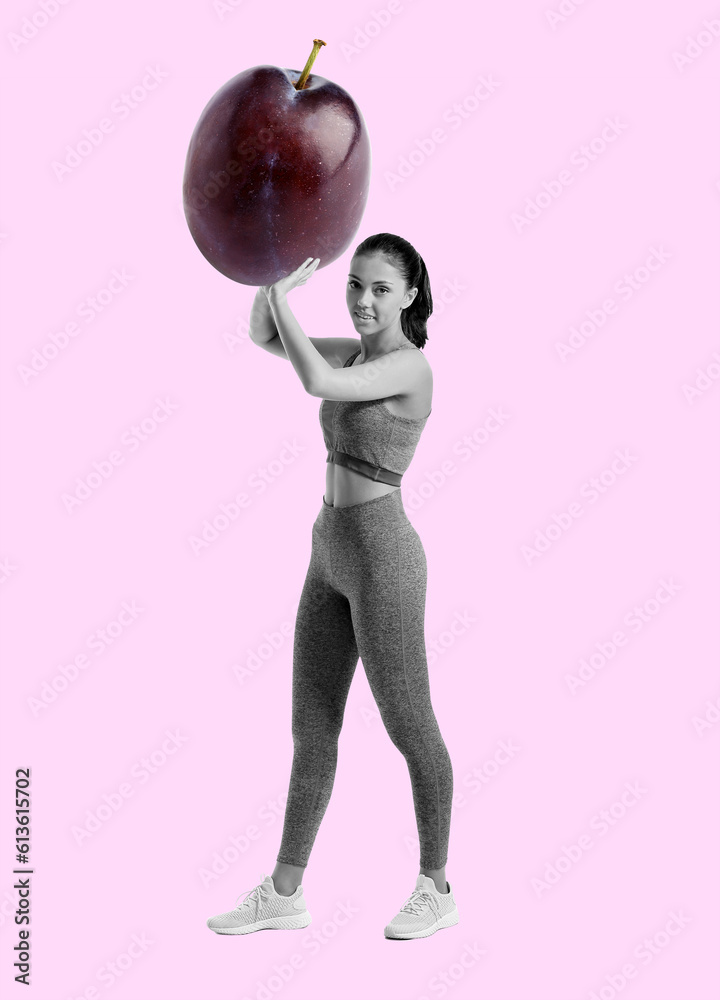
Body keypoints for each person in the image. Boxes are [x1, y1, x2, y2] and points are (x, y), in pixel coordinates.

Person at [206, 233, 457, 941]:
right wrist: (274, 275)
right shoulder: (354, 353)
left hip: (385, 560)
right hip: (328, 551)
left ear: (410, 295)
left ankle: (435, 885)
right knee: (311, 732)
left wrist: (285, 301)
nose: (363, 301)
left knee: (411, 726)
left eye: (380, 288)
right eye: (354, 285)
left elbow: (316, 380)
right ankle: (285, 893)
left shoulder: (411, 367)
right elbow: (264, 332)